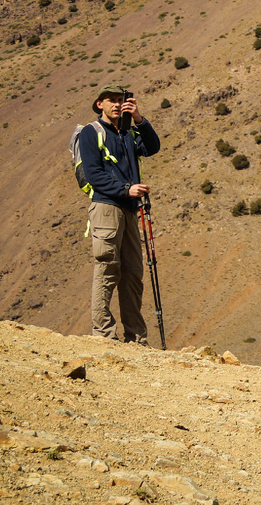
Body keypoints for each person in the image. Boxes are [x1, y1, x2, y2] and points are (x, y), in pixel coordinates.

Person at [79, 84, 161, 343]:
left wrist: (139, 118)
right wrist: (127, 189)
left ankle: (136, 338)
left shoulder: (128, 133)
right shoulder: (91, 133)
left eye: (120, 100)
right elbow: (95, 175)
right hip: (106, 207)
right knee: (107, 268)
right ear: (99, 104)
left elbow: (153, 147)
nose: (116, 104)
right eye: (110, 100)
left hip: (128, 210)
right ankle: (104, 334)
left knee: (133, 273)